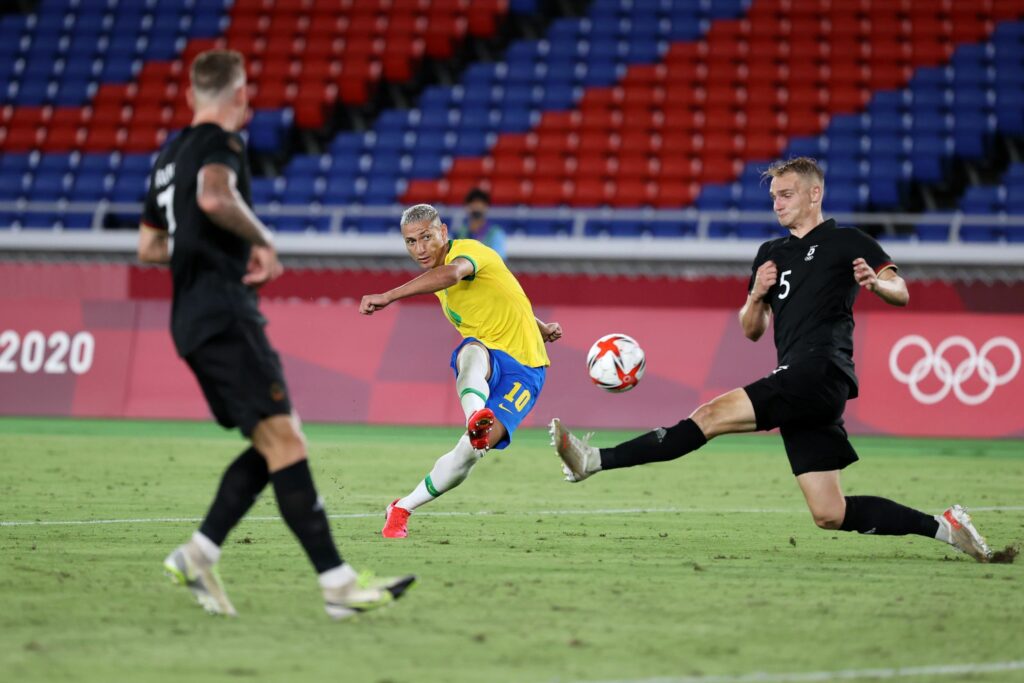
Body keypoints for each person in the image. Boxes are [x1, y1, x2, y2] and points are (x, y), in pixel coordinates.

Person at [550, 157, 993, 562]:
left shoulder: (847, 241)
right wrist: (757, 295)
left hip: (820, 371)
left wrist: (878, 287)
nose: (777, 204)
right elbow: (752, 330)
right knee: (829, 513)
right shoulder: (771, 254)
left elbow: (901, 289)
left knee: (709, 415)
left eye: (787, 194)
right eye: (774, 197)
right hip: (805, 383)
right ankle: (944, 528)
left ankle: (596, 460)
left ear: (814, 194)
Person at [137, 49, 414, 618]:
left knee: (274, 444)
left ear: (191, 94)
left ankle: (198, 553)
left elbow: (149, 247)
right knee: (286, 441)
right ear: (240, 97)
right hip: (223, 313)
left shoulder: (167, 156)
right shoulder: (222, 145)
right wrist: (262, 239)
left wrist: (200, 250)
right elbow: (216, 197)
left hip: (188, 319)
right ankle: (337, 585)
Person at [359, 203, 561, 538]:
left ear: (443, 233)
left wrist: (389, 295)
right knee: (470, 350)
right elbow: (505, 293)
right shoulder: (443, 289)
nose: (420, 248)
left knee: (469, 453)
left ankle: (403, 503)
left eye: (426, 237)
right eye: (411, 242)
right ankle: (474, 417)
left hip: (526, 370)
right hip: (490, 357)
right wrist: (540, 325)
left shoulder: (467, 251)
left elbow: (453, 273)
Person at [455, 187, 506, 260]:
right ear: (467, 207)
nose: (477, 207)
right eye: (473, 203)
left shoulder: (495, 233)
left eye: (480, 203)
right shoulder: (460, 232)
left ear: (486, 207)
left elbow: (498, 258)